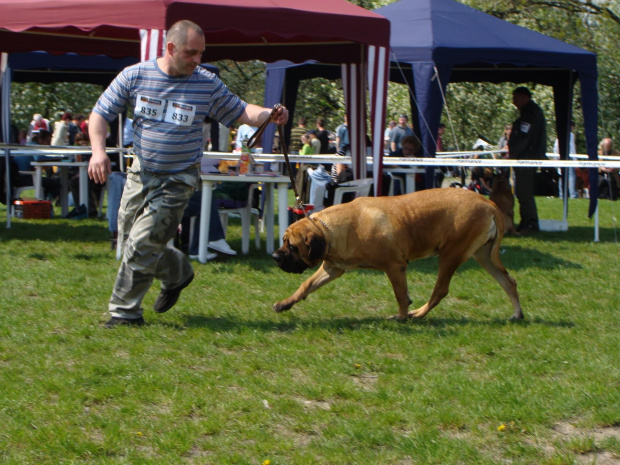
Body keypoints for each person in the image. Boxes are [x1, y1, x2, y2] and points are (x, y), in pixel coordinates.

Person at [87, 19, 288, 328]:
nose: (198, 60)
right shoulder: (135, 76)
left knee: (142, 243)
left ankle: (124, 313)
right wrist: (98, 151)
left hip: (178, 178)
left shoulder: (205, 83)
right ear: (171, 48)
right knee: (131, 240)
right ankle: (178, 271)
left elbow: (240, 111)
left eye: (201, 53)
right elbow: (100, 114)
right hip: (141, 173)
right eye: (191, 53)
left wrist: (269, 114)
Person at [508, 86, 547, 234]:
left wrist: (513, 154)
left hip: (526, 158)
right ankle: (526, 222)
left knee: (524, 192)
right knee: (523, 191)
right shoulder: (531, 112)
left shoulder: (530, 114)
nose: (514, 102)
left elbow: (524, 138)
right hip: (527, 157)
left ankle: (530, 224)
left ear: (525, 96)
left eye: (516, 99)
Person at [553, 121, 578, 199]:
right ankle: (572, 194)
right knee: (571, 176)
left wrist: (556, 157)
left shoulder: (560, 134)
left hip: (560, 157)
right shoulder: (571, 135)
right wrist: (575, 160)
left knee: (562, 176)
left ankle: (561, 194)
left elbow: (556, 146)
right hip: (569, 157)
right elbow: (572, 148)